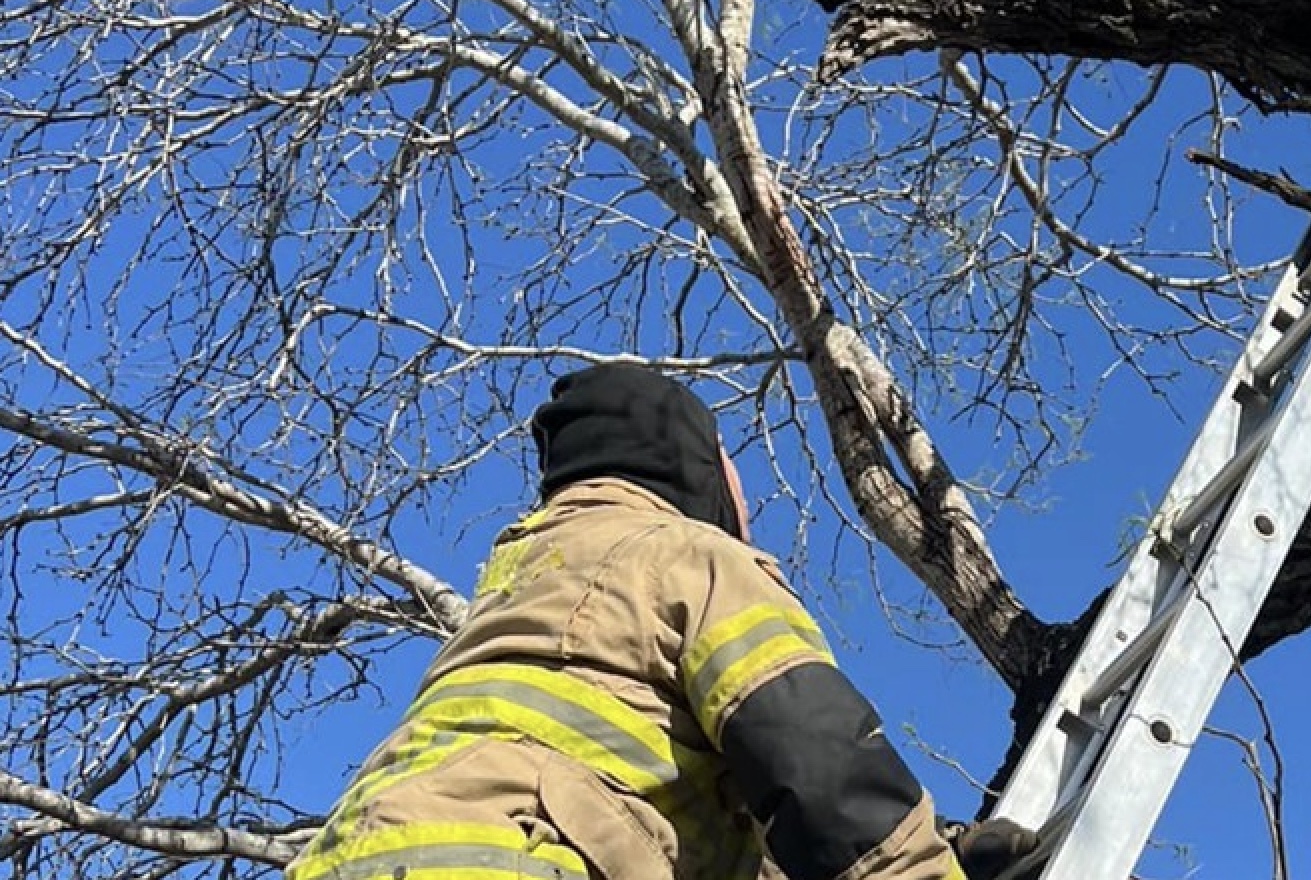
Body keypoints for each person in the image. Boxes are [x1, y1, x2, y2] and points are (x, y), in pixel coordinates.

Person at [285, 362, 1037, 880]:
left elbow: (671, 822)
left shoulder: (518, 598)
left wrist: (950, 851)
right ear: (696, 469)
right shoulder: (685, 554)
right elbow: (817, 761)